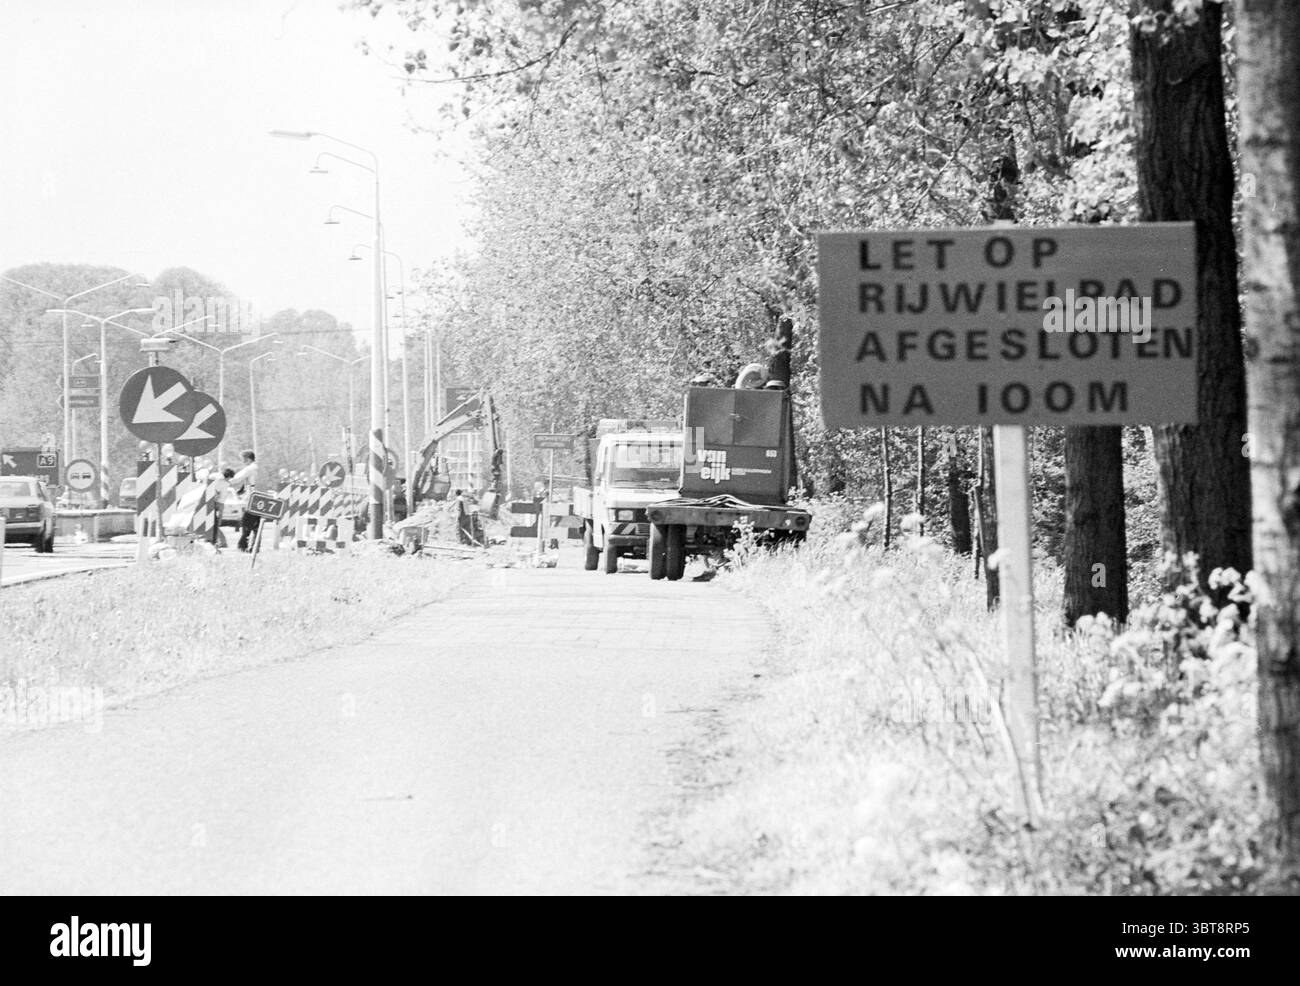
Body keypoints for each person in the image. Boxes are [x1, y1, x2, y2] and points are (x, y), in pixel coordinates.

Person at [230, 449, 261, 551]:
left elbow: (236, 478)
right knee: (256, 524)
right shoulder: (258, 467)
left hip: (252, 498)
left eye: (243, 459)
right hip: (259, 498)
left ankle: (243, 545)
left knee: (246, 522)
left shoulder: (250, 468)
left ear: (247, 459)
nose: (242, 462)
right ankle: (254, 546)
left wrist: (225, 480)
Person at [210, 467, 234, 546]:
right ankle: (222, 542)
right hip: (218, 503)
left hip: (213, 502)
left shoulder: (215, 476)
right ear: (229, 476)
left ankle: (216, 540)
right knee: (216, 524)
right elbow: (219, 495)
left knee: (213, 524)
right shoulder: (223, 482)